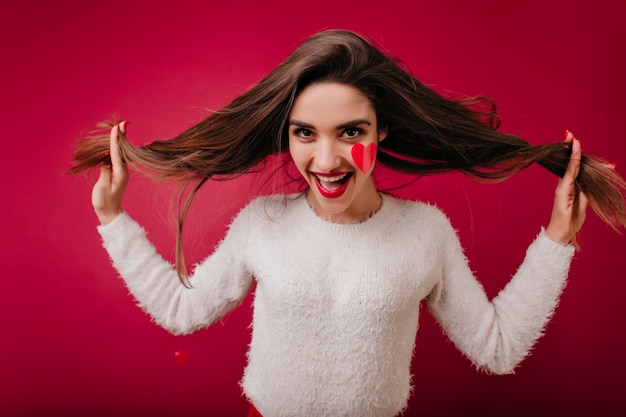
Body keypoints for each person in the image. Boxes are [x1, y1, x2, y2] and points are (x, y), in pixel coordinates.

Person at [70, 30, 626, 417]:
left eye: (351, 132)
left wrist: (557, 239)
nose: (327, 159)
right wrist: (111, 218)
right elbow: (180, 310)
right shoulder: (262, 223)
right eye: (305, 133)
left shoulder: (424, 233)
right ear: (287, 135)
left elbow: (498, 348)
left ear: (381, 130)